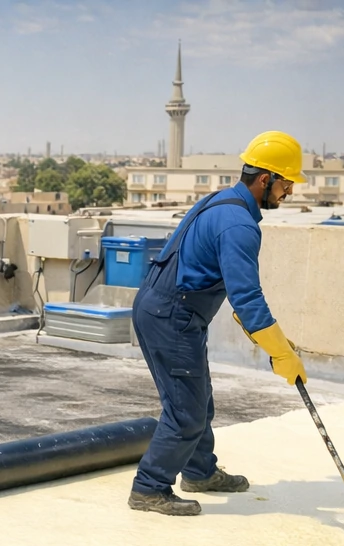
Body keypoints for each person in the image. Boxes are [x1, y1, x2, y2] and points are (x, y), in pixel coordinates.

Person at [128, 130, 310, 516]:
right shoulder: (239, 225)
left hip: (171, 310)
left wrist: (276, 344)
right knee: (186, 411)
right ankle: (149, 487)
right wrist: (281, 353)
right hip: (171, 315)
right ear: (266, 179)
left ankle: (199, 472)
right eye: (286, 184)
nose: (289, 192)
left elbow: (239, 300)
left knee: (199, 400)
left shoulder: (222, 202)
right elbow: (246, 299)